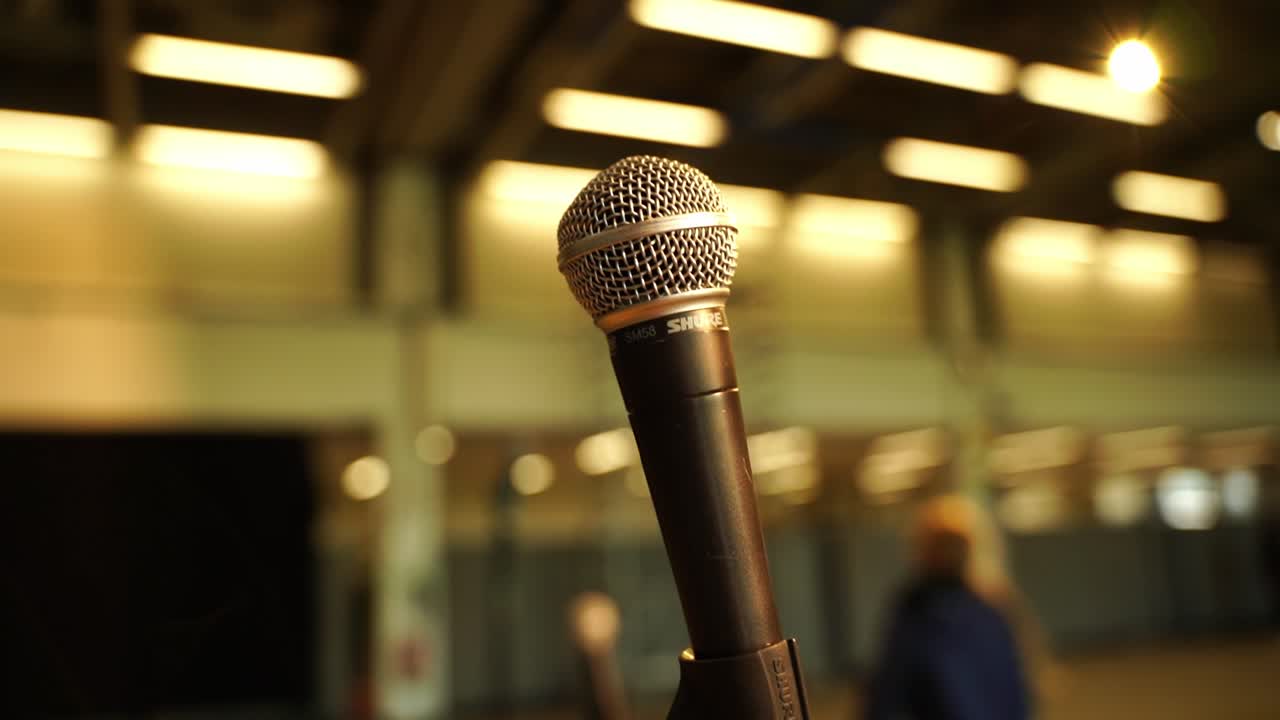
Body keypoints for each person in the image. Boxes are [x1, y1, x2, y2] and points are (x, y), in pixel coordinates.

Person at [863, 495, 1030, 720]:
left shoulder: (990, 609)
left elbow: (1014, 692)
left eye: (953, 544)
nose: (949, 553)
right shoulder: (918, 610)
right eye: (944, 544)